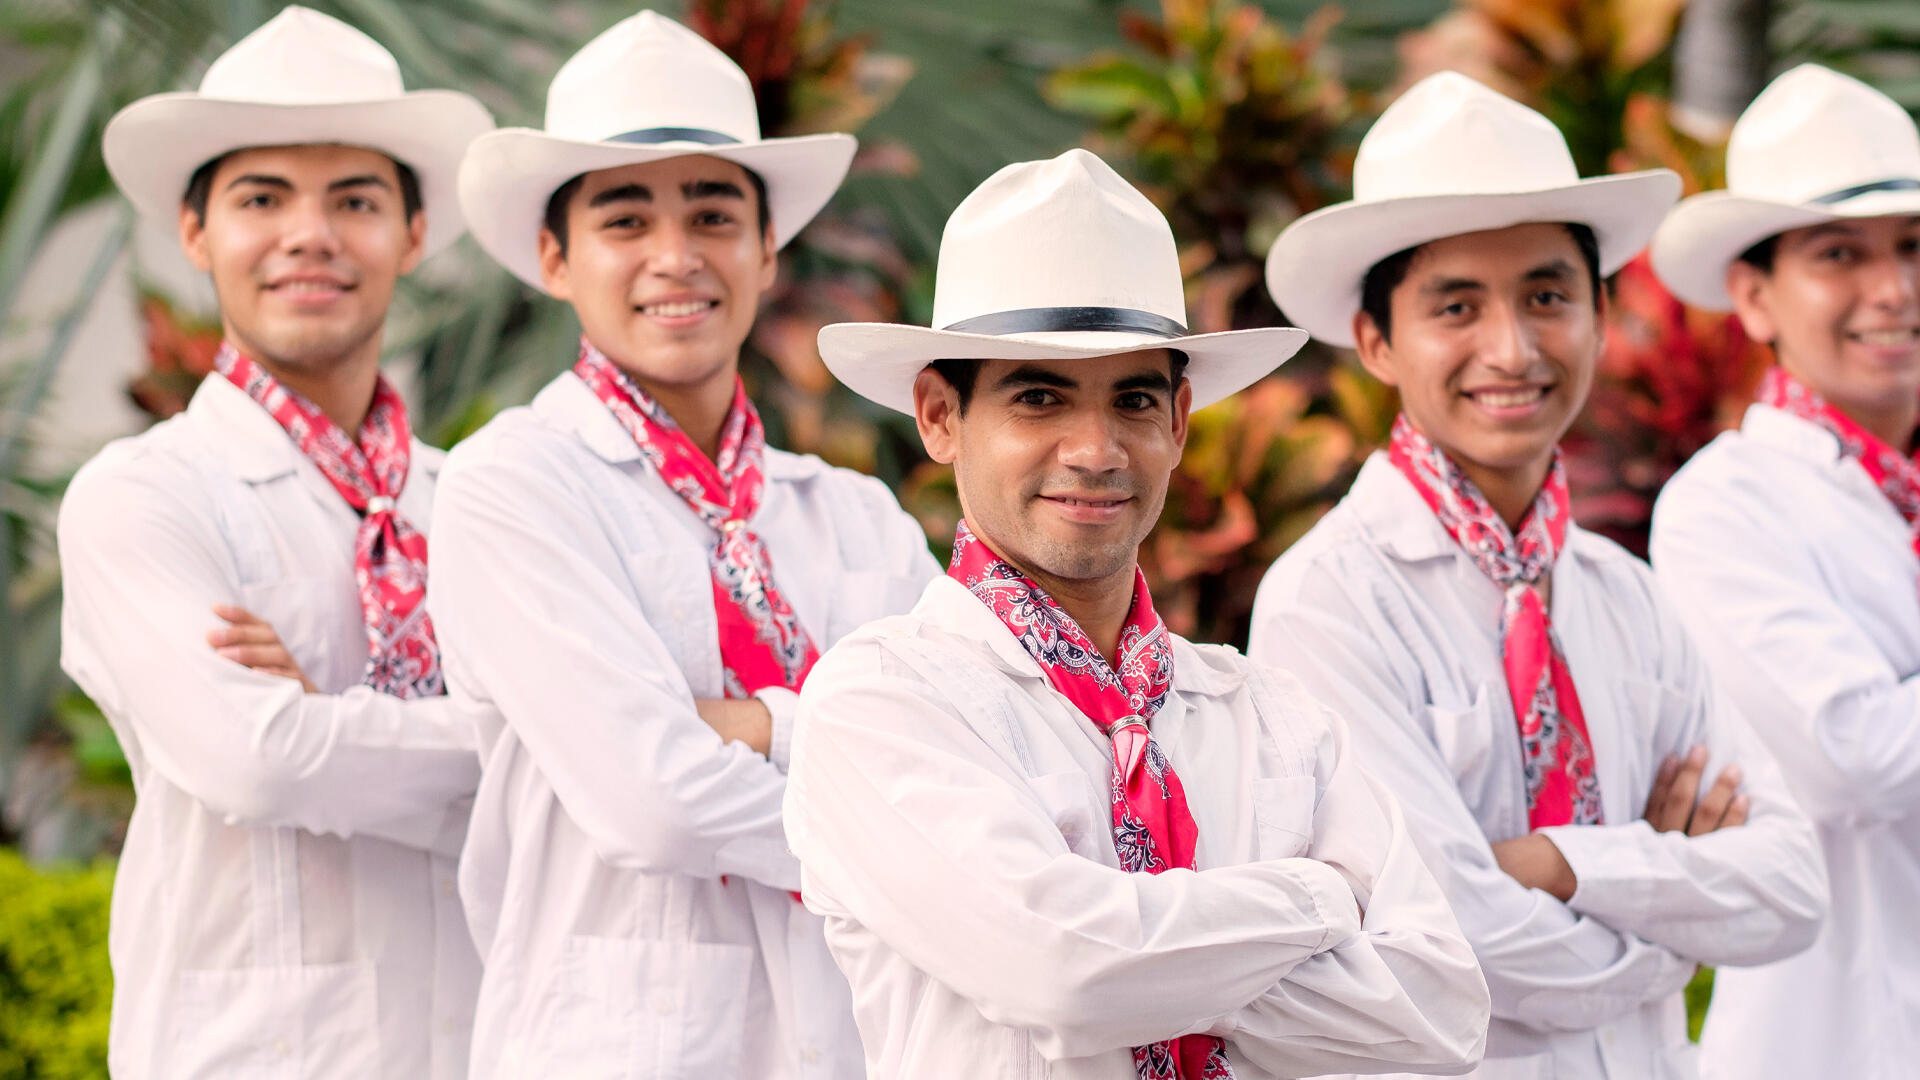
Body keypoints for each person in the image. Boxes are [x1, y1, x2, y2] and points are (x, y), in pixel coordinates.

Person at [784, 146, 1491, 1080]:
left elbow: (1440, 1017)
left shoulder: (1272, 714)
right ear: (940, 416)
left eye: (1134, 400)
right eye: (1039, 399)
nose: (1096, 448)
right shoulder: (883, 699)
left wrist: (1154, 952)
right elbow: (1061, 972)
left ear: (1180, 421)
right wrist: (1319, 901)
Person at [1249, 71, 1828, 1079]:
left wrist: (1562, 862)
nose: (1511, 349)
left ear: (1601, 316)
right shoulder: (1328, 602)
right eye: (1457, 307)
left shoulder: (1622, 591)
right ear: (1379, 343)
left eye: (1548, 296)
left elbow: (1790, 887)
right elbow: (1453, 941)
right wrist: (1672, 912)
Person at [428, 12, 939, 1077]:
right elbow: (651, 804)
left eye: (713, 214)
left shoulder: (850, 514)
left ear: (766, 249)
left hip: (853, 1042)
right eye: (625, 220)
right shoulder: (515, 485)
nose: (676, 257)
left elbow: (966, 757)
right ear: (555, 258)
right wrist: (883, 791)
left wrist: (756, 725)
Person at [56, 7, 494, 1077]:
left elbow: (598, 795)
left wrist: (330, 725)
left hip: (482, 1043)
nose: (312, 234)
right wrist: (523, 733)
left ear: (414, 233)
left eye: (355, 199)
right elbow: (257, 764)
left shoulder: (477, 506)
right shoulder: (145, 496)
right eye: (262, 198)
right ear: (196, 233)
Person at [1647, 63, 1920, 1080]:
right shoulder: (1724, 506)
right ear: (1754, 297)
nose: (1892, 289)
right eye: (1840, 255)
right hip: (1835, 1037)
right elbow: (1856, 759)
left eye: (1913, 247)